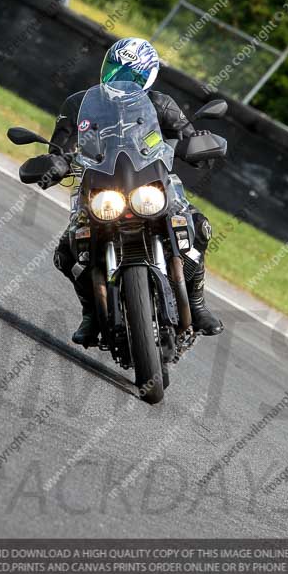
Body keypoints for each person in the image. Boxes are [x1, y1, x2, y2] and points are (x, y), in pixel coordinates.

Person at [50, 36, 224, 348]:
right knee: (67, 252)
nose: (121, 80)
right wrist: (54, 162)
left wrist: (198, 145)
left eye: (131, 76)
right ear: (105, 68)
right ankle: (91, 313)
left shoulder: (160, 105)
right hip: (101, 188)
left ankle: (196, 305)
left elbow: (186, 136)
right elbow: (60, 146)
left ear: (147, 78)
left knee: (198, 228)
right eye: (116, 71)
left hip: (151, 184)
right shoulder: (78, 105)